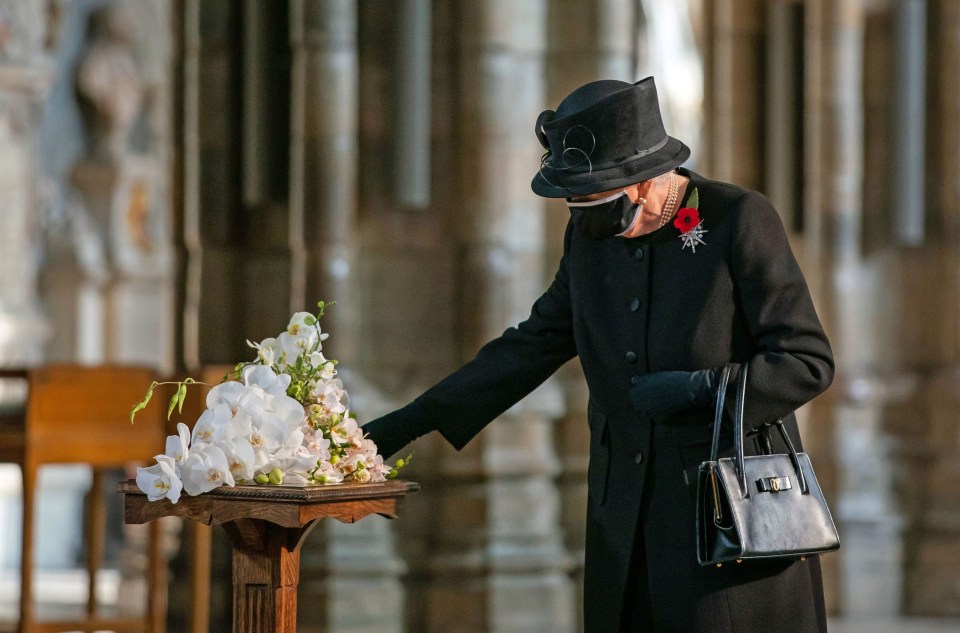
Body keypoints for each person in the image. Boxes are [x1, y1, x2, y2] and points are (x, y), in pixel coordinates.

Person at [363, 77, 835, 633]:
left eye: (596, 204)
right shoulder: (588, 239)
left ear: (642, 183)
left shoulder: (737, 218)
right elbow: (533, 343)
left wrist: (701, 390)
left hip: (724, 517)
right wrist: (409, 421)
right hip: (626, 522)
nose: (586, 221)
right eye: (575, 206)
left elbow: (807, 360)